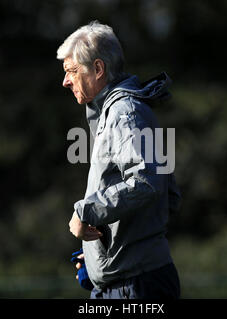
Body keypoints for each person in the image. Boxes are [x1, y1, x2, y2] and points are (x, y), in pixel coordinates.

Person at [57, 21, 182, 299]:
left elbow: (146, 183)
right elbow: (167, 197)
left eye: (71, 71)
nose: (65, 81)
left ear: (98, 69)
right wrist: (101, 259)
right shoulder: (116, 113)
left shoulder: (126, 113)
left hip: (135, 285)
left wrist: (86, 212)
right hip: (124, 281)